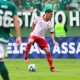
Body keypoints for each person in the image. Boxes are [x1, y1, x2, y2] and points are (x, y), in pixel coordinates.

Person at [0, 0, 21, 80]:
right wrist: (18, 36)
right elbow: (16, 20)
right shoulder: (12, 6)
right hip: (5, 38)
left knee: (0, 61)